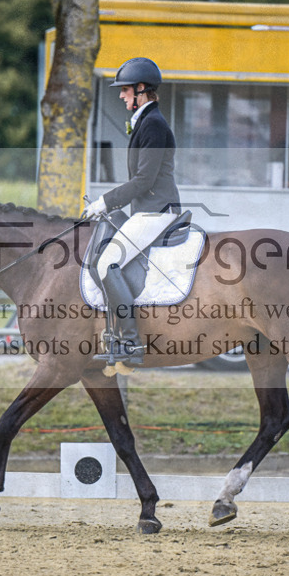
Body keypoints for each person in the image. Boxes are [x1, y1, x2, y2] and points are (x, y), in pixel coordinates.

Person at [82, 57, 180, 365]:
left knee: (106, 263)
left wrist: (105, 202)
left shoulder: (153, 124)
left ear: (141, 89)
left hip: (156, 211)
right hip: (145, 209)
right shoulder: (146, 122)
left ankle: (130, 342)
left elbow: (143, 180)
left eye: (125, 91)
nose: (121, 96)